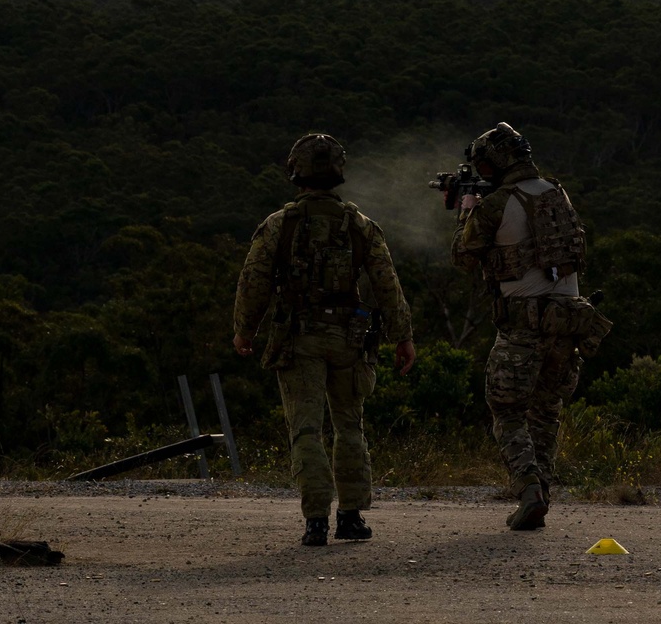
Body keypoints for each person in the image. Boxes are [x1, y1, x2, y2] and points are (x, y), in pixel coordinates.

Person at [234, 132, 416, 547]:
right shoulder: (361, 226)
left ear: (295, 172)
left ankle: (315, 520)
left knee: (306, 430)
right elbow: (388, 287)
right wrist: (403, 337)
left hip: (299, 338)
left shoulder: (279, 225)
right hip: (349, 338)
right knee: (351, 426)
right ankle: (351, 517)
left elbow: (254, 283)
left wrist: (245, 330)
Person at [450, 122, 610, 531]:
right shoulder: (557, 193)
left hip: (523, 326)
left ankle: (528, 490)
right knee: (546, 412)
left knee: (506, 411)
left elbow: (465, 257)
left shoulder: (496, 203)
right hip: (568, 322)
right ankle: (542, 497)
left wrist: (465, 211)